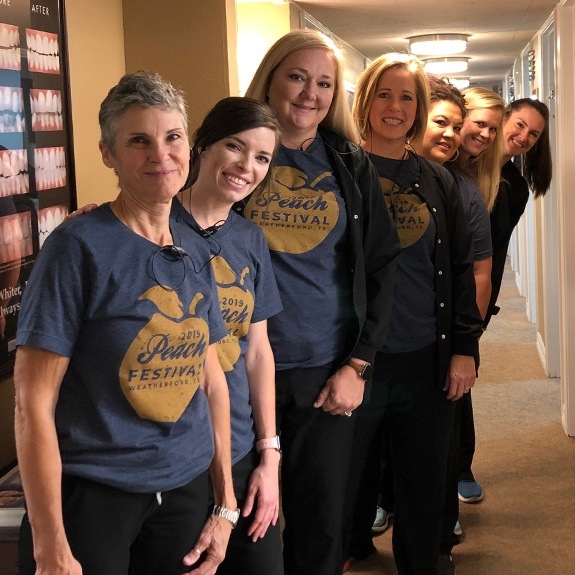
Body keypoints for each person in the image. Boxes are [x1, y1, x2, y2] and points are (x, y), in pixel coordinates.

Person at [14, 71, 237, 575]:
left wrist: (224, 504)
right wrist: (50, 546)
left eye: (172, 136)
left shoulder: (195, 247)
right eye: (138, 140)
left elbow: (212, 380)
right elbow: (32, 405)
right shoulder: (77, 247)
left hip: (183, 489)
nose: (161, 154)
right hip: (95, 496)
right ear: (108, 154)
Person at [240, 29, 401, 575]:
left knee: (320, 524)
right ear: (271, 78)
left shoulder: (350, 165)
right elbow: (177, 219)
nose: (310, 93)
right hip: (235, 370)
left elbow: (381, 269)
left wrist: (359, 364)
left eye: (325, 83)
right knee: (243, 524)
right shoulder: (230, 150)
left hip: (323, 373)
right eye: (297, 77)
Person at [343, 53, 483, 575]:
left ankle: (421, 561)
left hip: (426, 352)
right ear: (365, 101)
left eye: (407, 97)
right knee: (348, 474)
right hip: (356, 357)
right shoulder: (339, 172)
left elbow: (460, 267)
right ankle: (351, 546)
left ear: (420, 109)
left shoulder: (437, 180)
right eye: (384, 93)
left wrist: (465, 348)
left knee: (424, 477)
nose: (395, 107)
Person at [173, 96, 284, 574]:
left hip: (239, 443)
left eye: (262, 157)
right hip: (177, 451)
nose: (247, 166)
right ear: (202, 147)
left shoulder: (249, 238)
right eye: (235, 147)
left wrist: (270, 455)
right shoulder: (154, 225)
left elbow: (257, 352)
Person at [417, 77, 493, 575]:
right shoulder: (364, 171)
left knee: (437, 442)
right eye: (438, 122)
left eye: (453, 125)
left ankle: (437, 538)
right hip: (382, 337)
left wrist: (468, 341)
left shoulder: (462, 189)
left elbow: (477, 270)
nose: (447, 133)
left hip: (442, 334)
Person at [452, 86, 505, 506]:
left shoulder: (483, 181)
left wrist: (473, 330)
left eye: (493, 128)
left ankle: (459, 470)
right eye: (480, 123)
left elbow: (483, 265)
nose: (486, 134)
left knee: (457, 391)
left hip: (467, 299)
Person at [487, 98, 552, 328]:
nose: (524, 137)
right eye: (520, 125)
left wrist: (484, 309)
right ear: (503, 119)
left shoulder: (515, 189)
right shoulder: (465, 163)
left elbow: (496, 250)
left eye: (534, 134)